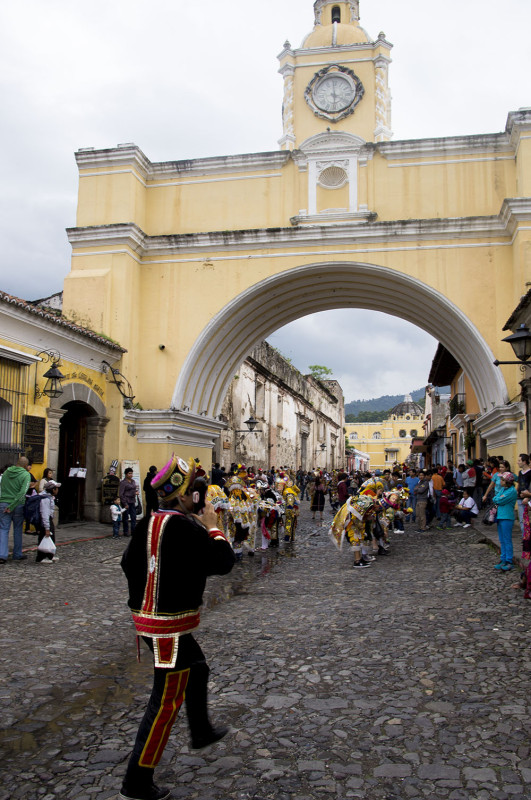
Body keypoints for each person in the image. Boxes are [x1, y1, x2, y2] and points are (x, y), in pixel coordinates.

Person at [119, 454, 235, 800]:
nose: (198, 497)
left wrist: (147, 595)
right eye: (194, 491)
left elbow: (128, 563)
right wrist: (214, 527)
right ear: (183, 496)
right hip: (168, 628)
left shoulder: (149, 521)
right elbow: (224, 562)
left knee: (197, 669)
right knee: (165, 701)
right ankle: (136, 782)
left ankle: (200, 730)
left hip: (155, 623)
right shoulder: (185, 527)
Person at [0, 456, 31, 564]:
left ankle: (2, 555)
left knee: (3, 529)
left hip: (3, 502)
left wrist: (7, 504)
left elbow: (2, 487)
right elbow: (22, 493)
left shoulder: (6, 472)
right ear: (26, 466)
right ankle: (17, 554)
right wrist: (12, 505)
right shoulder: (26, 475)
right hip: (17, 505)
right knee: (17, 529)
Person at [492, 472, 518, 572]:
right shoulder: (503, 489)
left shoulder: (511, 491)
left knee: (507, 540)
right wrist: (497, 498)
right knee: (502, 540)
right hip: (500, 516)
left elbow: (499, 500)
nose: (500, 481)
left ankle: (509, 560)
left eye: (502, 480)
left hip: (507, 517)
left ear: (507, 481)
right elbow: (496, 497)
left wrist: (497, 498)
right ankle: (503, 559)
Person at [36, 480, 61, 563]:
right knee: (44, 537)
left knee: (50, 538)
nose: (57, 490)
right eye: (56, 488)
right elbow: (45, 513)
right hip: (45, 520)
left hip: (47, 519)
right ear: (53, 490)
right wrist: (47, 527)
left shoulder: (48, 497)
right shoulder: (45, 499)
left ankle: (50, 555)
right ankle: (41, 557)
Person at [120, 467, 139, 536]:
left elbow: (134, 489)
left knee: (133, 517)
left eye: (131, 473)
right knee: (125, 518)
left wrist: (136, 492)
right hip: (126, 501)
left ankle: (133, 531)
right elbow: (121, 494)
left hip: (132, 501)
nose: (131, 475)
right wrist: (124, 503)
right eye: (129, 473)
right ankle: (126, 531)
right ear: (126, 474)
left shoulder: (133, 481)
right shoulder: (123, 483)